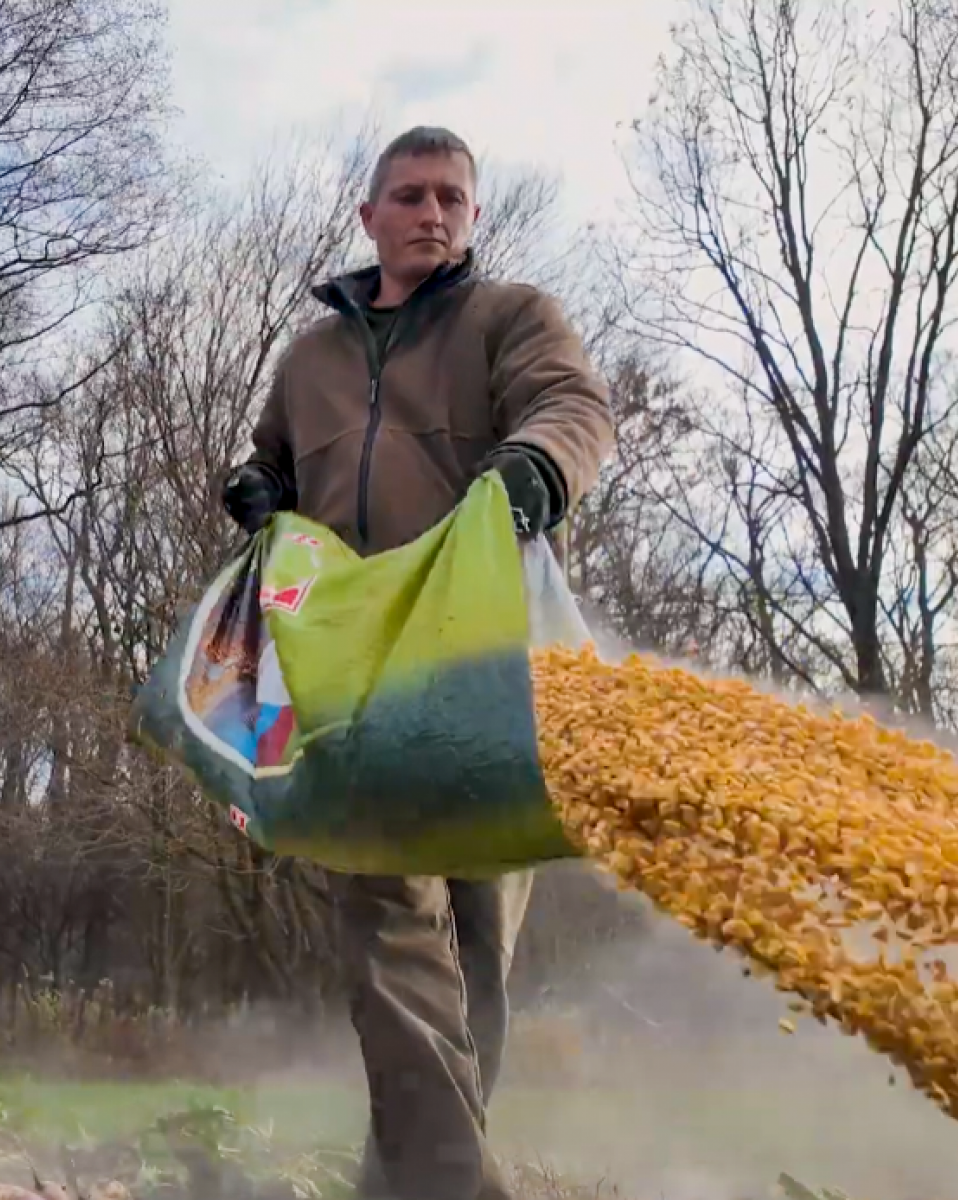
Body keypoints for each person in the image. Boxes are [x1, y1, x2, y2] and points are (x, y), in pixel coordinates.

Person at [219, 126, 616, 1200]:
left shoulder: (510, 318)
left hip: (485, 673)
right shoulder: (309, 359)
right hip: (353, 682)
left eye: (450, 196)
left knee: (476, 961)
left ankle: (396, 1181)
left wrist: (538, 463)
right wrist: (258, 495)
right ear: (369, 216)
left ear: (472, 217)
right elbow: (269, 462)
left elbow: (571, 405)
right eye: (407, 195)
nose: (429, 212)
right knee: (387, 940)